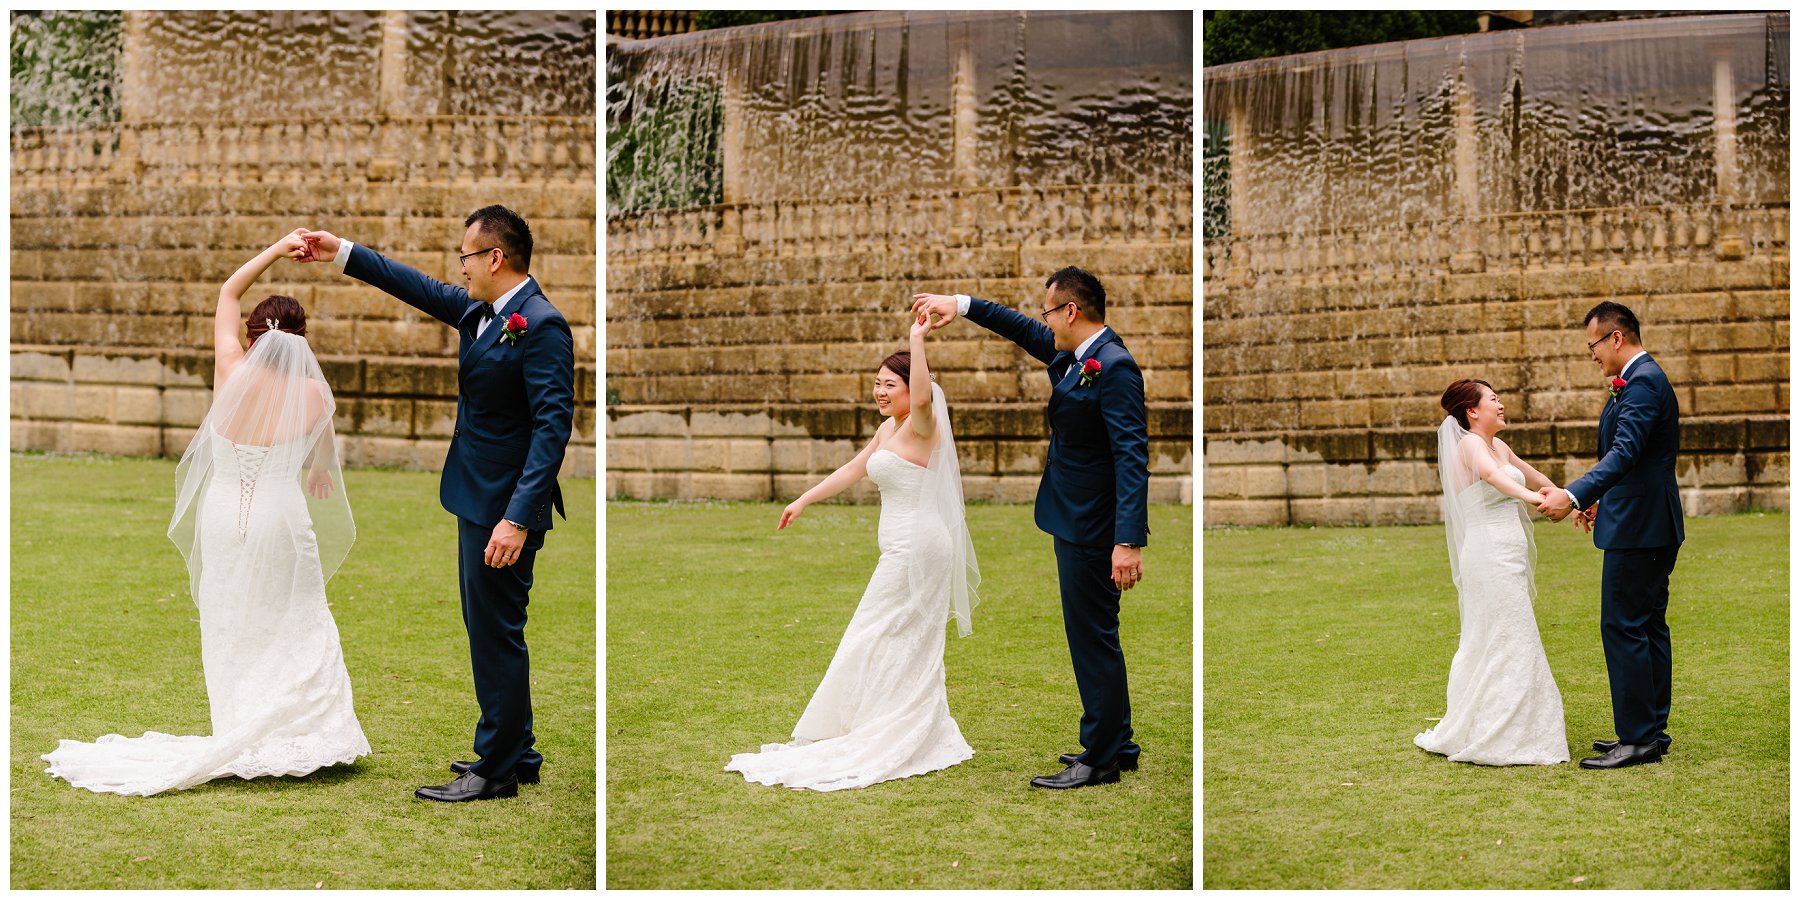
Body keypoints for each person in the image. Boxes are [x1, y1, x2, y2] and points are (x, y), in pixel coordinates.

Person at [43, 230, 367, 795]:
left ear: (252, 335)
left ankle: (239, 725)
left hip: (223, 516)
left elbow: (226, 291)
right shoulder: (317, 395)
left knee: (231, 619)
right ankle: (310, 729)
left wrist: (276, 249)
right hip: (282, 519)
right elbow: (322, 443)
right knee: (296, 615)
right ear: (300, 341)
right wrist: (317, 468)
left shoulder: (231, 370)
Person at [297, 206, 575, 801]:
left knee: (495, 629)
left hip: (504, 512)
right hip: (473, 496)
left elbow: (553, 428)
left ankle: (497, 768)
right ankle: (518, 748)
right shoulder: (479, 310)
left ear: (495, 258)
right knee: (488, 623)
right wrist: (339, 250)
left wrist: (518, 519)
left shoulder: (541, 324)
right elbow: (412, 284)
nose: (461, 268)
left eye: (467, 257)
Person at [912, 267, 1149, 789]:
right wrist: (963, 304)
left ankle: (1103, 757)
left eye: (1049, 312)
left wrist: (1127, 541)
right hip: (1073, 517)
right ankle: (1120, 742)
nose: (1045, 322)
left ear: (1071, 311)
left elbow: (1132, 456)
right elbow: (1022, 329)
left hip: (1095, 527)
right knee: (1092, 635)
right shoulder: (1075, 356)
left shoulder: (1113, 367)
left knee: (1092, 638)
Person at [726, 311, 979, 791]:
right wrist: (802, 500)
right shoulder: (888, 431)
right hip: (901, 548)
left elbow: (924, 395)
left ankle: (898, 727)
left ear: (911, 388)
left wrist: (916, 338)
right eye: (876, 385)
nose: (880, 392)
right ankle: (890, 718)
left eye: (889, 384)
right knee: (886, 635)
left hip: (918, 548)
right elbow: (852, 470)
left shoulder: (924, 425)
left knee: (876, 631)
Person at [1535, 301, 1683, 770]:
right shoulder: (1641, 381)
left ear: (1616, 338)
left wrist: (1574, 496)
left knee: (1623, 625)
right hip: (1646, 520)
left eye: (1593, 345)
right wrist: (1602, 499)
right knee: (1646, 624)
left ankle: (1638, 739)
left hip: (1641, 530)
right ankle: (1651, 730)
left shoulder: (1642, 384)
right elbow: (1631, 460)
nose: (1592, 356)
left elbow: (1622, 454)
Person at [1417, 379, 1568, 766]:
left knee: (1507, 632)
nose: (1501, 405)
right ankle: (1496, 730)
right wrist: (1536, 501)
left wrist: (1572, 500)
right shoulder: (1470, 445)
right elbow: (1494, 478)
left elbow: (1534, 476)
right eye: (1494, 400)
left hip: (1509, 553)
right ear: (1472, 411)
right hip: (1487, 555)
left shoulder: (1499, 445)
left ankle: (1509, 724)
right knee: (1505, 634)